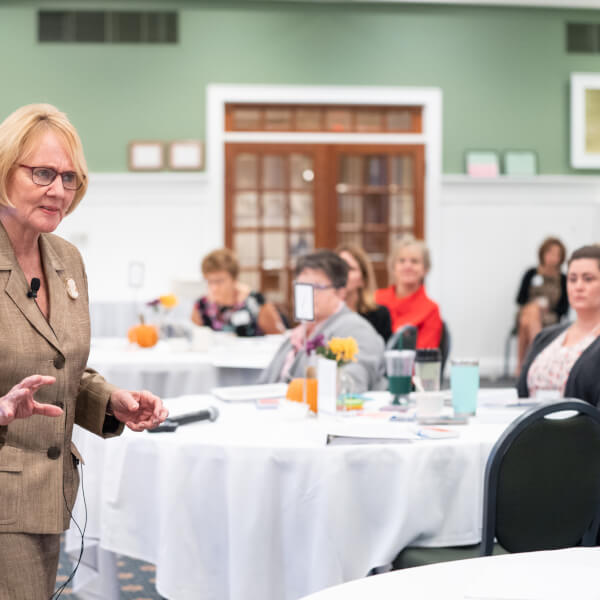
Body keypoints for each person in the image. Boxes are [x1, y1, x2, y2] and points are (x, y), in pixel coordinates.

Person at [0, 103, 168, 598]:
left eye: (70, 178)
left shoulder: (65, 258)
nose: (58, 191)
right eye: (43, 173)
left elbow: (56, 362)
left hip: (47, 492)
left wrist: (108, 400)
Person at [259, 250, 386, 392]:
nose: (307, 295)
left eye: (317, 287)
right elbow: (264, 383)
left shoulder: (356, 329)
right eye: (302, 287)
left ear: (340, 292)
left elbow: (351, 385)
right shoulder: (299, 334)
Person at [518, 245, 600, 407]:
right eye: (572, 279)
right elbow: (519, 394)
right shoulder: (546, 337)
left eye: (588, 279)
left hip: (581, 431)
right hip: (530, 428)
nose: (578, 286)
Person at [191, 248, 285, 336]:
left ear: (233, 278)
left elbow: (278, 336)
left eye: (219, 281)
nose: (214, 287)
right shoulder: (201, 306)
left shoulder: (255, 302)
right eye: (209, 281)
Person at [375, 239, 442, 348]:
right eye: (401, 261)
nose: (408, 266)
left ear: (425, 269)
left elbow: (423, 356)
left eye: (414, 261)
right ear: (393, 267)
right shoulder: (376, 299)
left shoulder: (431, 310)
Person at [515, 236, 568, 374]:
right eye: (550, 253)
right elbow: (520, 299)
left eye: (557, 254)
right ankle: (538, 361)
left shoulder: (563, 279)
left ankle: (521, 367)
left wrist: (547, 307)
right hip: (527, 310)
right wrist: (536, 305)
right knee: (531, 312)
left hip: (550, 317)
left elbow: (564, 308)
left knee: (526, 321)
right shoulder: (531, 274)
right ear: (543, 253)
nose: (553, 258)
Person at [336, 243, 392, 342]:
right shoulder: (326, 314)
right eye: (338, 268)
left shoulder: (379, 315)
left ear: (363, 279)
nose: (343, 274)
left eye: (349, 269)